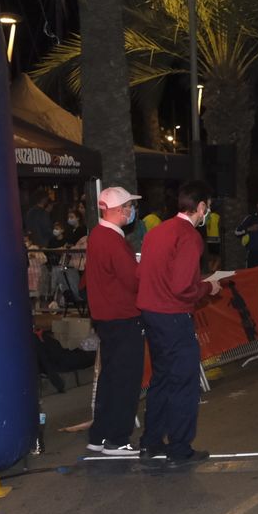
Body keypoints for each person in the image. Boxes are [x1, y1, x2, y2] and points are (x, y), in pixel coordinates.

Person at [137, 181, 222, 464]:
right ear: (201, 206)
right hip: (173, 315)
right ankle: (180, 448)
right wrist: (208, 287)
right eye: (208, 207)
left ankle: (151, 442)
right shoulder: (189, 236)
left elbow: (147, 274)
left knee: (161, 379)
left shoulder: (157, 231)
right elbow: (183, 287)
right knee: (184, 382)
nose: (208, 212)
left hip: (151, 313)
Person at [82, 186, 145, 456]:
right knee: (125, 380)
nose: (132, 211)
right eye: (129, 206)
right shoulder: (113, 240)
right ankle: (117, 439)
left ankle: (99, 435)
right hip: (123, 317)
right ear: (119, 210)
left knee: (109, 378)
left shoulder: (97, 235)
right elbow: (134, 280)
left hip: (105, 318)